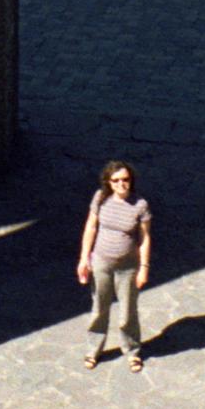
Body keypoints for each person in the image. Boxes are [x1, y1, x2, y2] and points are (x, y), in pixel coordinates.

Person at [77, 158, 151, 371]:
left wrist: (144, 268)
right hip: (101, 263)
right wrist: (84, 258)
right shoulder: (100, 198)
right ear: (108, 182)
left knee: (128, 312)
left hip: (128, 266)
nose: (121, 184)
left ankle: (132, 350)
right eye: (116, 180)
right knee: (99, 308)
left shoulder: (140, 205)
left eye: (125, 179)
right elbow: (90, 228)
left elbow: (145, 239)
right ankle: (93, 350)